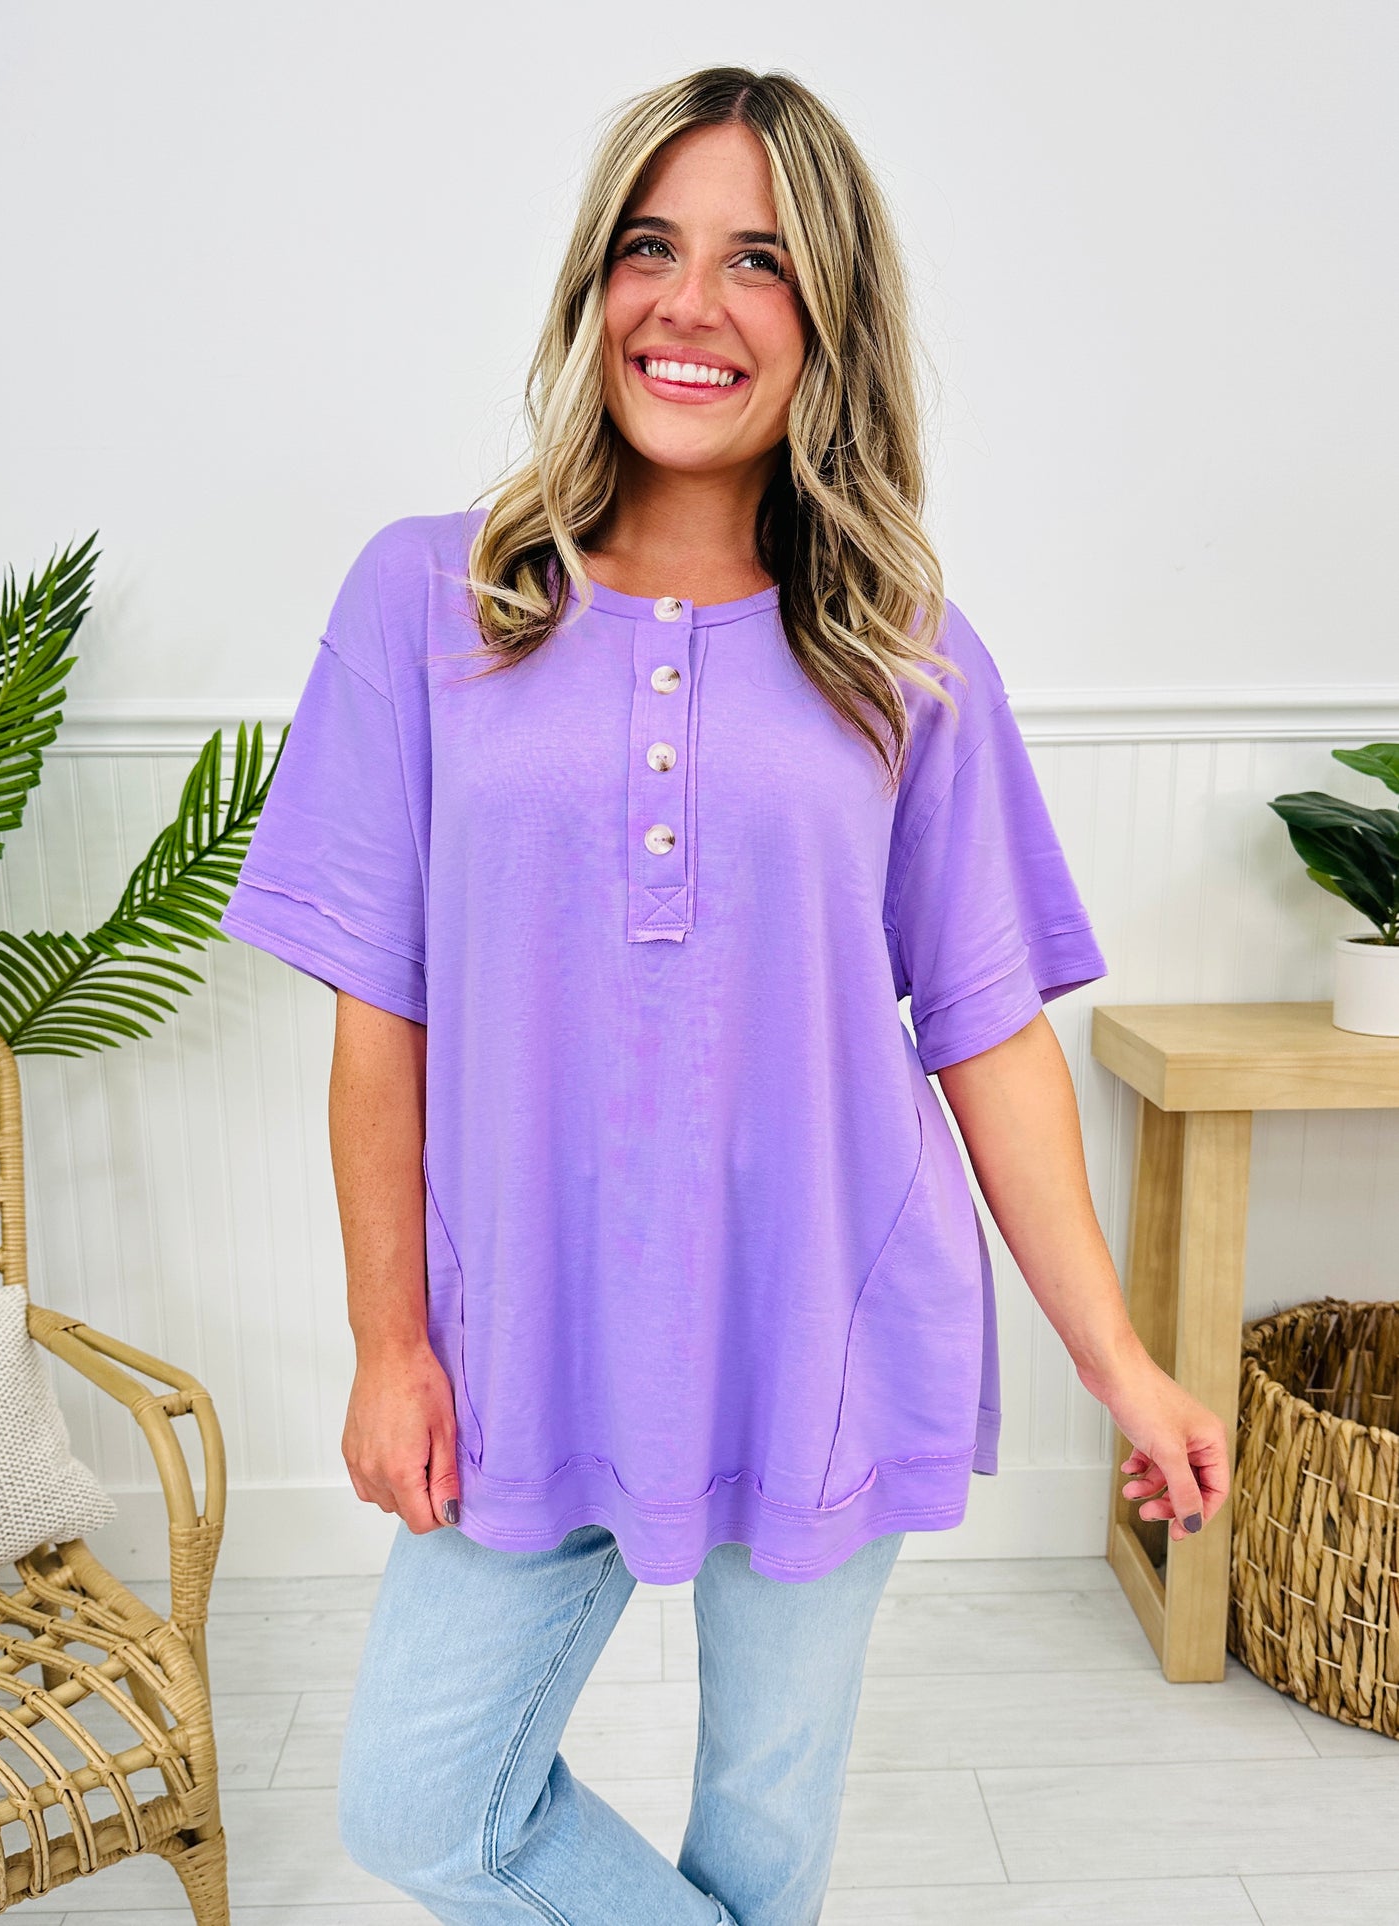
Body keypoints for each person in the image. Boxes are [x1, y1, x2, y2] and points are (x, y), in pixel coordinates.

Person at [220, 63, 1230, 1926]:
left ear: (828, 318)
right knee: (419, 1806)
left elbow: (987, 1028)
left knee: (766, 1837)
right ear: (591, 285)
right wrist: (387, 1340)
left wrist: (1119, 1358)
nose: (690, 303)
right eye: (650, 247)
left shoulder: (905, 658)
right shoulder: (428, 598)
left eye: (758, 260)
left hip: (826, 1325)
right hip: (525, 1340)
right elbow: (382, 1013)